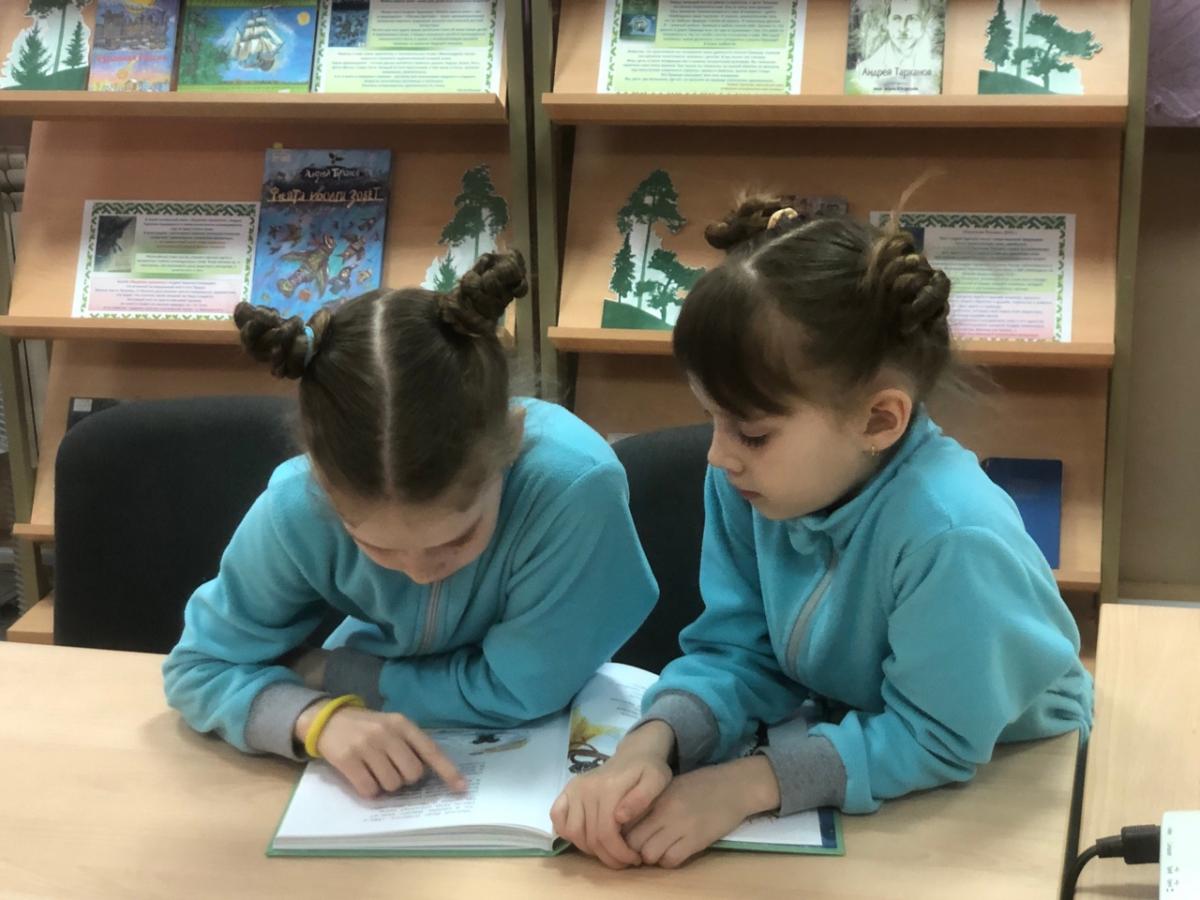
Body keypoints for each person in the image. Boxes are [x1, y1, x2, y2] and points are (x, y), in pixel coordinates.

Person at [552, 199, 1092, 869]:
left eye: (752, 432)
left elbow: (934, 737)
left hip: (1010, 770)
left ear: (878, 421)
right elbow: (740, 652)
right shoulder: (751, 485)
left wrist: (747, 785)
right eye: (712, 418)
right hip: (867, 741)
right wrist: (652, 742)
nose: (718, 455)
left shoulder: (952, 536)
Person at [163, 251, 658, 799]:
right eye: (376, 547)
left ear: (512, 442)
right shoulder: (297, 504)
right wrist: (317, 719)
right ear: (321, 481)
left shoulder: (573, 488)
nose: (421, 574)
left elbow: (521, 691)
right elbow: (199, 666)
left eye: (457, 538)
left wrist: (330, 672)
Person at [851, 0, 941, 95]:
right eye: (896, 18)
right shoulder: (866, 69)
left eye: (912, 18)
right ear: (887, 23)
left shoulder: (936, 67)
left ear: (924, 23)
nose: (902, 28)